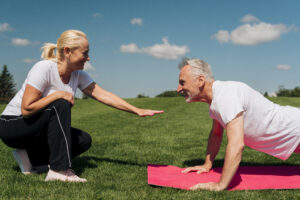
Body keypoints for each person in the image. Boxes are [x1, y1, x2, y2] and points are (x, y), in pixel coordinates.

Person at [0, 30, 163, 182]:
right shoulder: (44, 68)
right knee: (60, 103)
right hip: (12, 125)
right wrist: (58, 94)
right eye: (85, 53)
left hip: (34, 129)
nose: (88, 58)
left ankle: (29, 157)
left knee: (83, 140)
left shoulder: (78, 75)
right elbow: (26, 109)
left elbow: (103, 95)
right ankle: (59, 171)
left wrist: (137, 110)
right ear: (67, 51)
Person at [176, 58, 300, 191]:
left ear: (200, 80)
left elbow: (236, 144)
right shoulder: (217, 100)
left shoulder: (225, 96)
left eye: (182, 83)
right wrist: (207, 164)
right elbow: (216, 134)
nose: (178, 89)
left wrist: (220, 185)